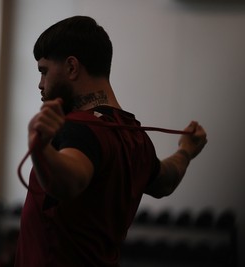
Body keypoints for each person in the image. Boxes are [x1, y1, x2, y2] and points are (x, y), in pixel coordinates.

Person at [15, 16, 207, 267]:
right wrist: (186, 151)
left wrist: (40, 148)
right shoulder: (135, 136)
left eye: (44, 71)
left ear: (72, 67)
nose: (40, 84)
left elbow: (70, 180)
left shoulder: (79, 128)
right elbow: (166, 180)